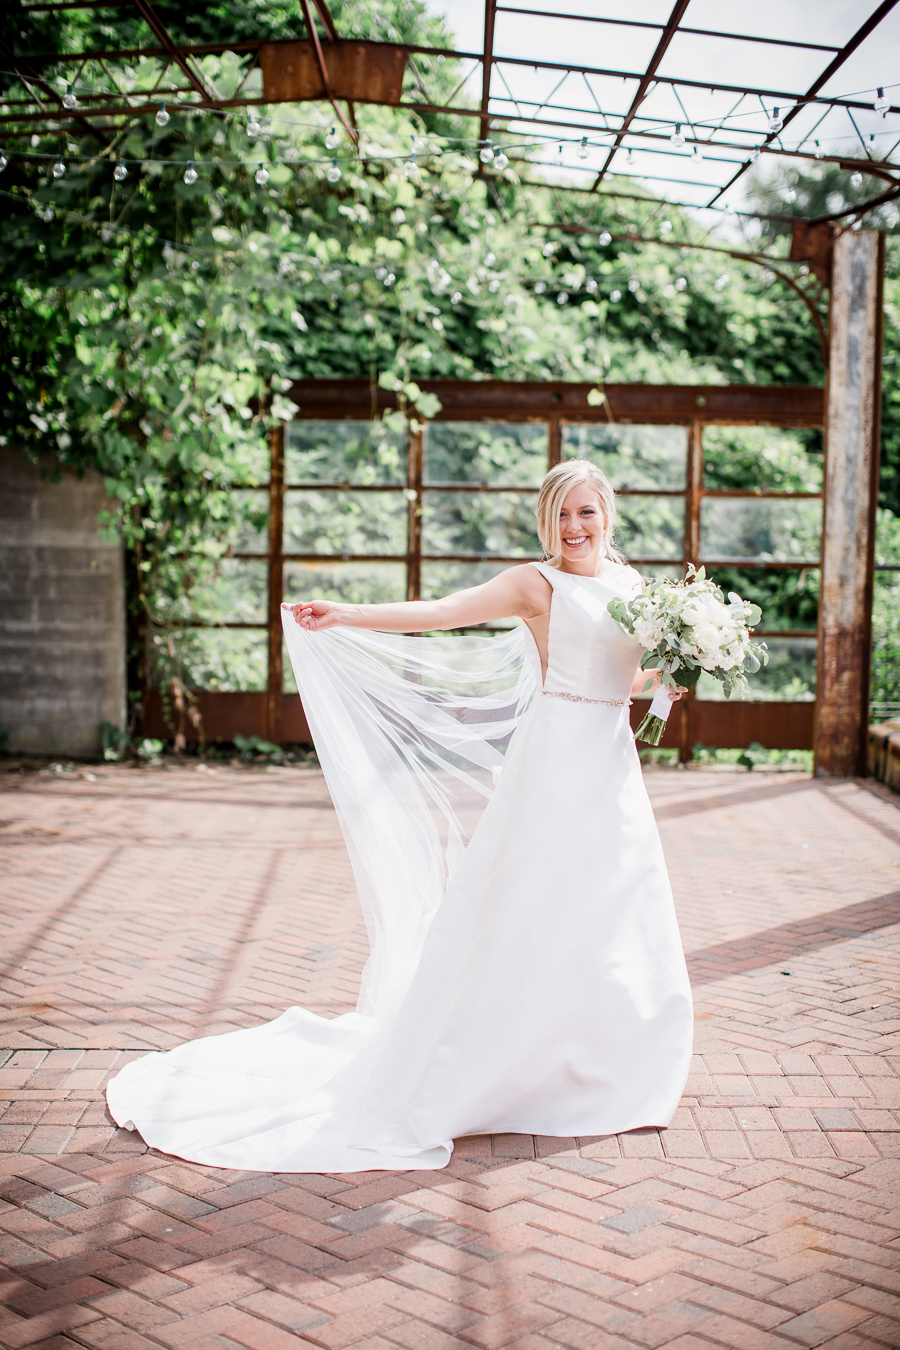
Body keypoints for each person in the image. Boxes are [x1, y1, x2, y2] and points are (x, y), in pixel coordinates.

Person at [106, 458, 693, 1172]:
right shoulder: (535, 583)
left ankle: (597, 1058)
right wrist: (348, 614)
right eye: (562, 515)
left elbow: (622, 676)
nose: (575, 528)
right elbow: (444, 612)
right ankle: (495, 1065)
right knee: (528, 907)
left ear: (608, 514)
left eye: (586, 513)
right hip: (556, 761)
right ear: (548, 520)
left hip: (610, 760)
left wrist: (668, 675)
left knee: (611, 902)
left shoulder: (633, 587)